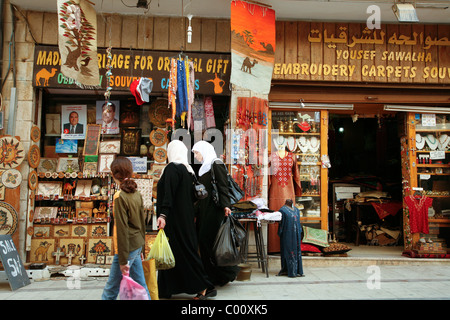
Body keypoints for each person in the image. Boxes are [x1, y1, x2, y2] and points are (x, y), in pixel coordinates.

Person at [156, 140, 216, 300]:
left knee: (179, 254)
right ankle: (166, 289)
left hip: (174, 221)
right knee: (178, 253)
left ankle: (204, 286)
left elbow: (168, 195)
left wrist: (163, 215)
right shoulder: (188, 171)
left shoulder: (171, 169)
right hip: (186, 219)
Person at [192, 140, 240, 287]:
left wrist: (226, 206)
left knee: (212, 242)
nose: (196, 157)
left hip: (215, 210)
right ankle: (212, 274)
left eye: (197, 153)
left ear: (204, 150)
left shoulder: (216, 163)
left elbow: (222, 186)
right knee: (206, 242)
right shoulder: (205, 167)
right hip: (205, 210)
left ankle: (223, 275)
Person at [102, 157, 150, 300]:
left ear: (114, 175)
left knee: (111, 289)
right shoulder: (136, 193)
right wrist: (141, 248)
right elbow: (142, 223)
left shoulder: (119, 196)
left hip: (125, 248)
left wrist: (122, 259)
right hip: (135, 245)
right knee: (141, 284)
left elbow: (121, 230)